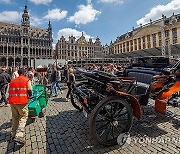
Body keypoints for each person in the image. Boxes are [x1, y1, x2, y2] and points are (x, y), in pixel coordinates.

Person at [8, 68, 32, 144]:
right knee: (23, 117)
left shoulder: (12, 80)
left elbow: (9, 91)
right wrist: (30, 96)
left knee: (15, 117)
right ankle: (19, 135)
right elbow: (29, 90)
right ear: (24, 73)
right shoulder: (26, 80)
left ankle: (13, 133)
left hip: (12, 102)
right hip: (22, 102)